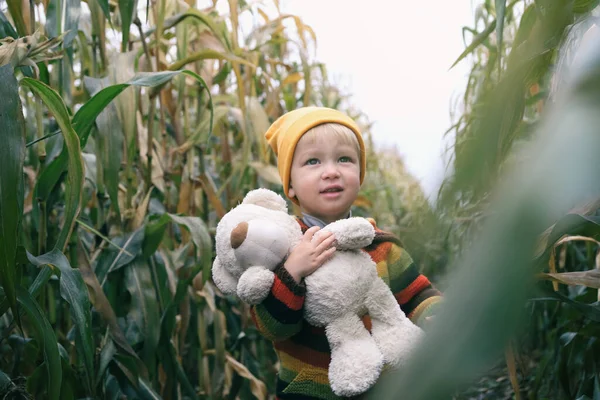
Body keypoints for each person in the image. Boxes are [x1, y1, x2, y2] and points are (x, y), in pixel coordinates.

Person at [249, 107, 442, 399]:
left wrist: (435, 312)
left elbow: (415, 294)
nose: (331, 171)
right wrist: (293, 272)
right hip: (306, 391)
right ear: (290, 184)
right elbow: (272, 328)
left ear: (359, 174)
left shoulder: (380, 245)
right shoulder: (280, 250)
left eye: (344, 159)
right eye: (313, 161)